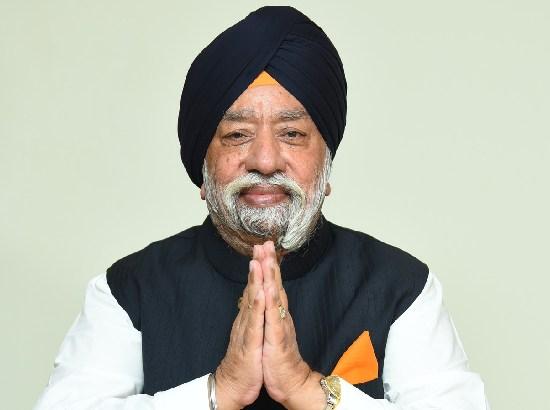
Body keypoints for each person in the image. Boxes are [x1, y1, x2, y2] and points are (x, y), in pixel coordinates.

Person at [35, 6, 490, 410]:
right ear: (203, 167)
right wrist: (218, 392)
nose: (266, 161)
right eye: (237, 135)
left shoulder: (402, 289)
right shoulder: (128, 292)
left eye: (292, 134)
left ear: (326, 162)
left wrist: (310, 391)